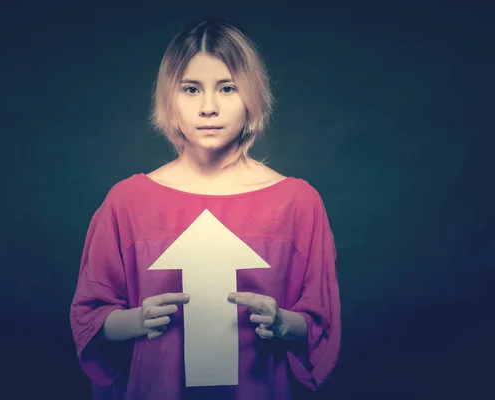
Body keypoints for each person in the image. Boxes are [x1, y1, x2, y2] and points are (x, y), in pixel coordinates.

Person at [69, 17, 341, 400]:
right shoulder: (126, 202)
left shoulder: (297, 203)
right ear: (169, 98)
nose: (208, 107)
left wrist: (282, 322)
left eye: (227, 88)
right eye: (191, 89)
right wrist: (137, 319)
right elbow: (89, 320)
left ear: (253, 96)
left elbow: (319, 327)